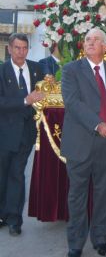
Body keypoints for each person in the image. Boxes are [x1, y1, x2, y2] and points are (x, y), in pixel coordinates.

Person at [61, 28, 106, 257]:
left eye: (96, 40)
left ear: (105, 47)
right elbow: (73, 102)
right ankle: (76, 243)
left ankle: (100, 238)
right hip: (79, 144)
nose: (90, 43)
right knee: (77, 196)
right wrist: (98, 124)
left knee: (104, 194)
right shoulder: (71, 70)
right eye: (87, 39)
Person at [0, 33, 44, 236]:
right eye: (17, 48)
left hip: (26, 133)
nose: (21, 52)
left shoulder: (36, 68)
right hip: (4, 133)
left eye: (24, 48)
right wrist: (25, 101)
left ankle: (14, 219)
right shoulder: (1, 70)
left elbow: (43, 96)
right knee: (2, 175)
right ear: (9, 49)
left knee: (17, 174)